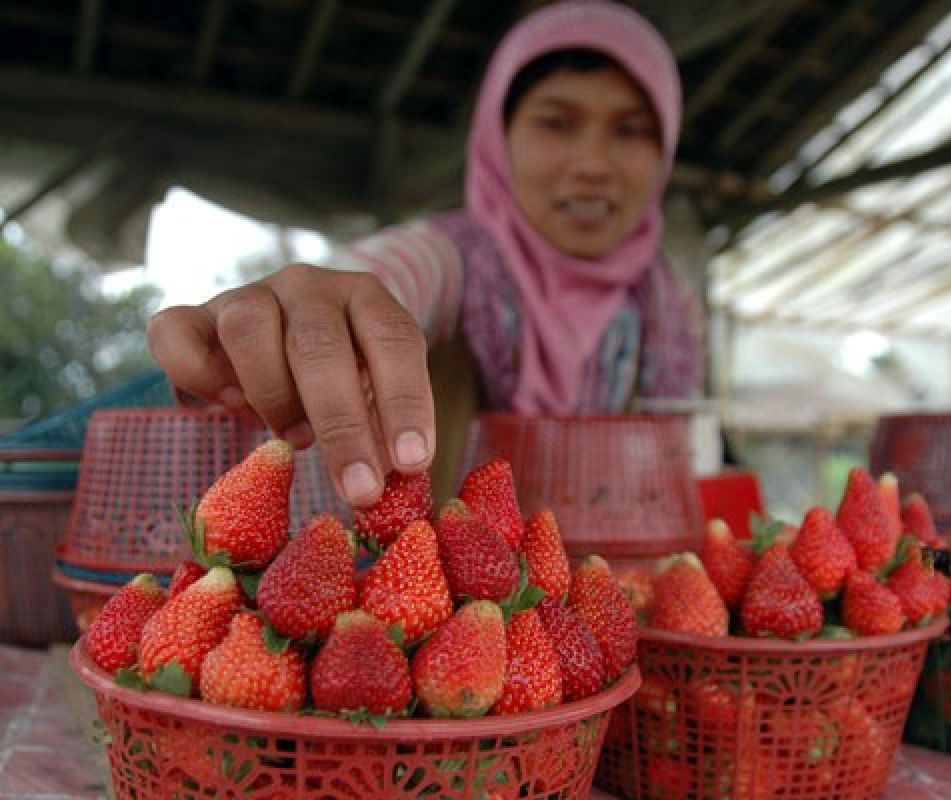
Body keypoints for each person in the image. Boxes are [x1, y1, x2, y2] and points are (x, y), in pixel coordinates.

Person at [147, 0, 703, 507]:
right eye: (556, 123)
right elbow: (386, 276)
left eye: (630, 130)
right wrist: (315, 301)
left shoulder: (666, 303)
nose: (592, 163)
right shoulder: (453, 259)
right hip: (442, 617)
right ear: (497, 136)